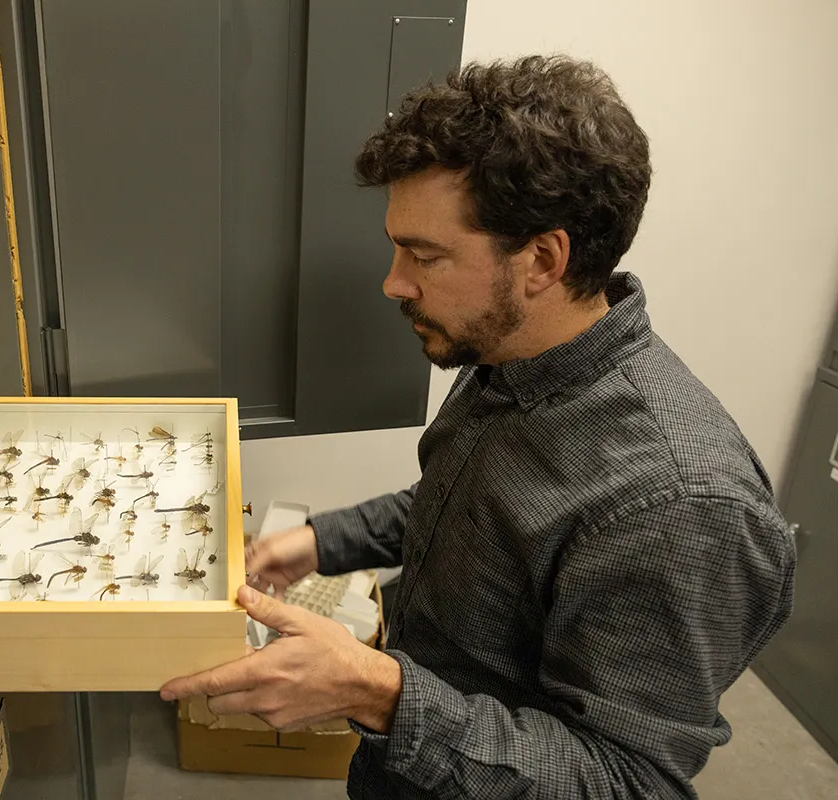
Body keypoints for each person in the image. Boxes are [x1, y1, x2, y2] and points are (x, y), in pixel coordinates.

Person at [159, 55, 797, 798]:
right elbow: (470, 507)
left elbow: (628, 781)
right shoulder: (507, 351)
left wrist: (379, 694)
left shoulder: (682, 505)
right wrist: (313, 543)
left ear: (543, 260)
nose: (393, 281)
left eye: (426, 255)